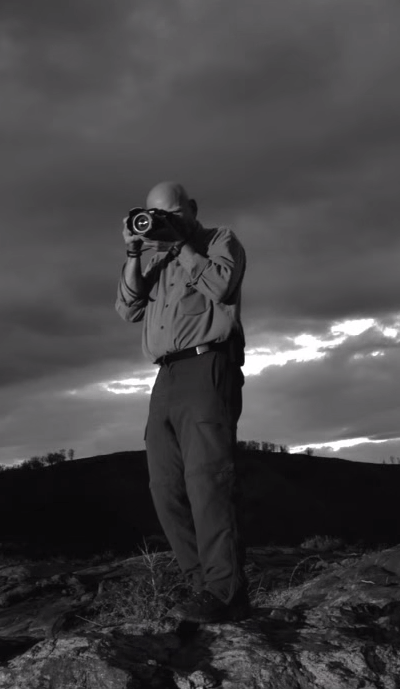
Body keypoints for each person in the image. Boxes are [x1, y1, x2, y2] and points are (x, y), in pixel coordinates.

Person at [114, 181, 251, 623]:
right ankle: (202, 588)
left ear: (191, 209)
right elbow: (127, 307)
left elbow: (222, 286)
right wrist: (136, 253)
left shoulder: (218, 241)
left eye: (172, 213)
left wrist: (183, 244)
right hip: (165, 375)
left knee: (207, 481)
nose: (164, 221)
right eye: (156, 214)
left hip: (207, 366)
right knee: (165, 486)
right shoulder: (155, 260)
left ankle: (227, 592)